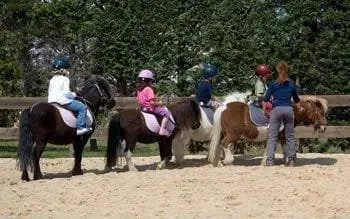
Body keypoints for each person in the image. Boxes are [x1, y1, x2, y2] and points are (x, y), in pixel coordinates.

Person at [263, 61, 302, 167]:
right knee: (290, 136)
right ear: (287, 70)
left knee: (272, 136)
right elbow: (296, 99)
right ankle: (292, 160)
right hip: (288, 110)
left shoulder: (273, 84)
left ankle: (270, 161)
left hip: (276, 110)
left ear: (277, 71)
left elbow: (266, 98)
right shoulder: (291, 83)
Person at [48, 56, 92, 135]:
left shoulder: (52, 79)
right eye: (67, 69)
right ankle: (80, 127)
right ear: (63, 69)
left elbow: (50, 92)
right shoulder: (65, 79)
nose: (68, 71)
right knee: (82, 108)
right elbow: (66, 93)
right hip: (62, 101)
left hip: (51, 101)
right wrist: (74, 94)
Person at [136, 69, 172, 136]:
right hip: (150, 108)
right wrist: (160, 103)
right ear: (149, 81)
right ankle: (162, 129)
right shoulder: (149, 89)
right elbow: (152, 102)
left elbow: (139, 100)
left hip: (142, 109)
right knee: (167, 113)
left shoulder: (139, 90)